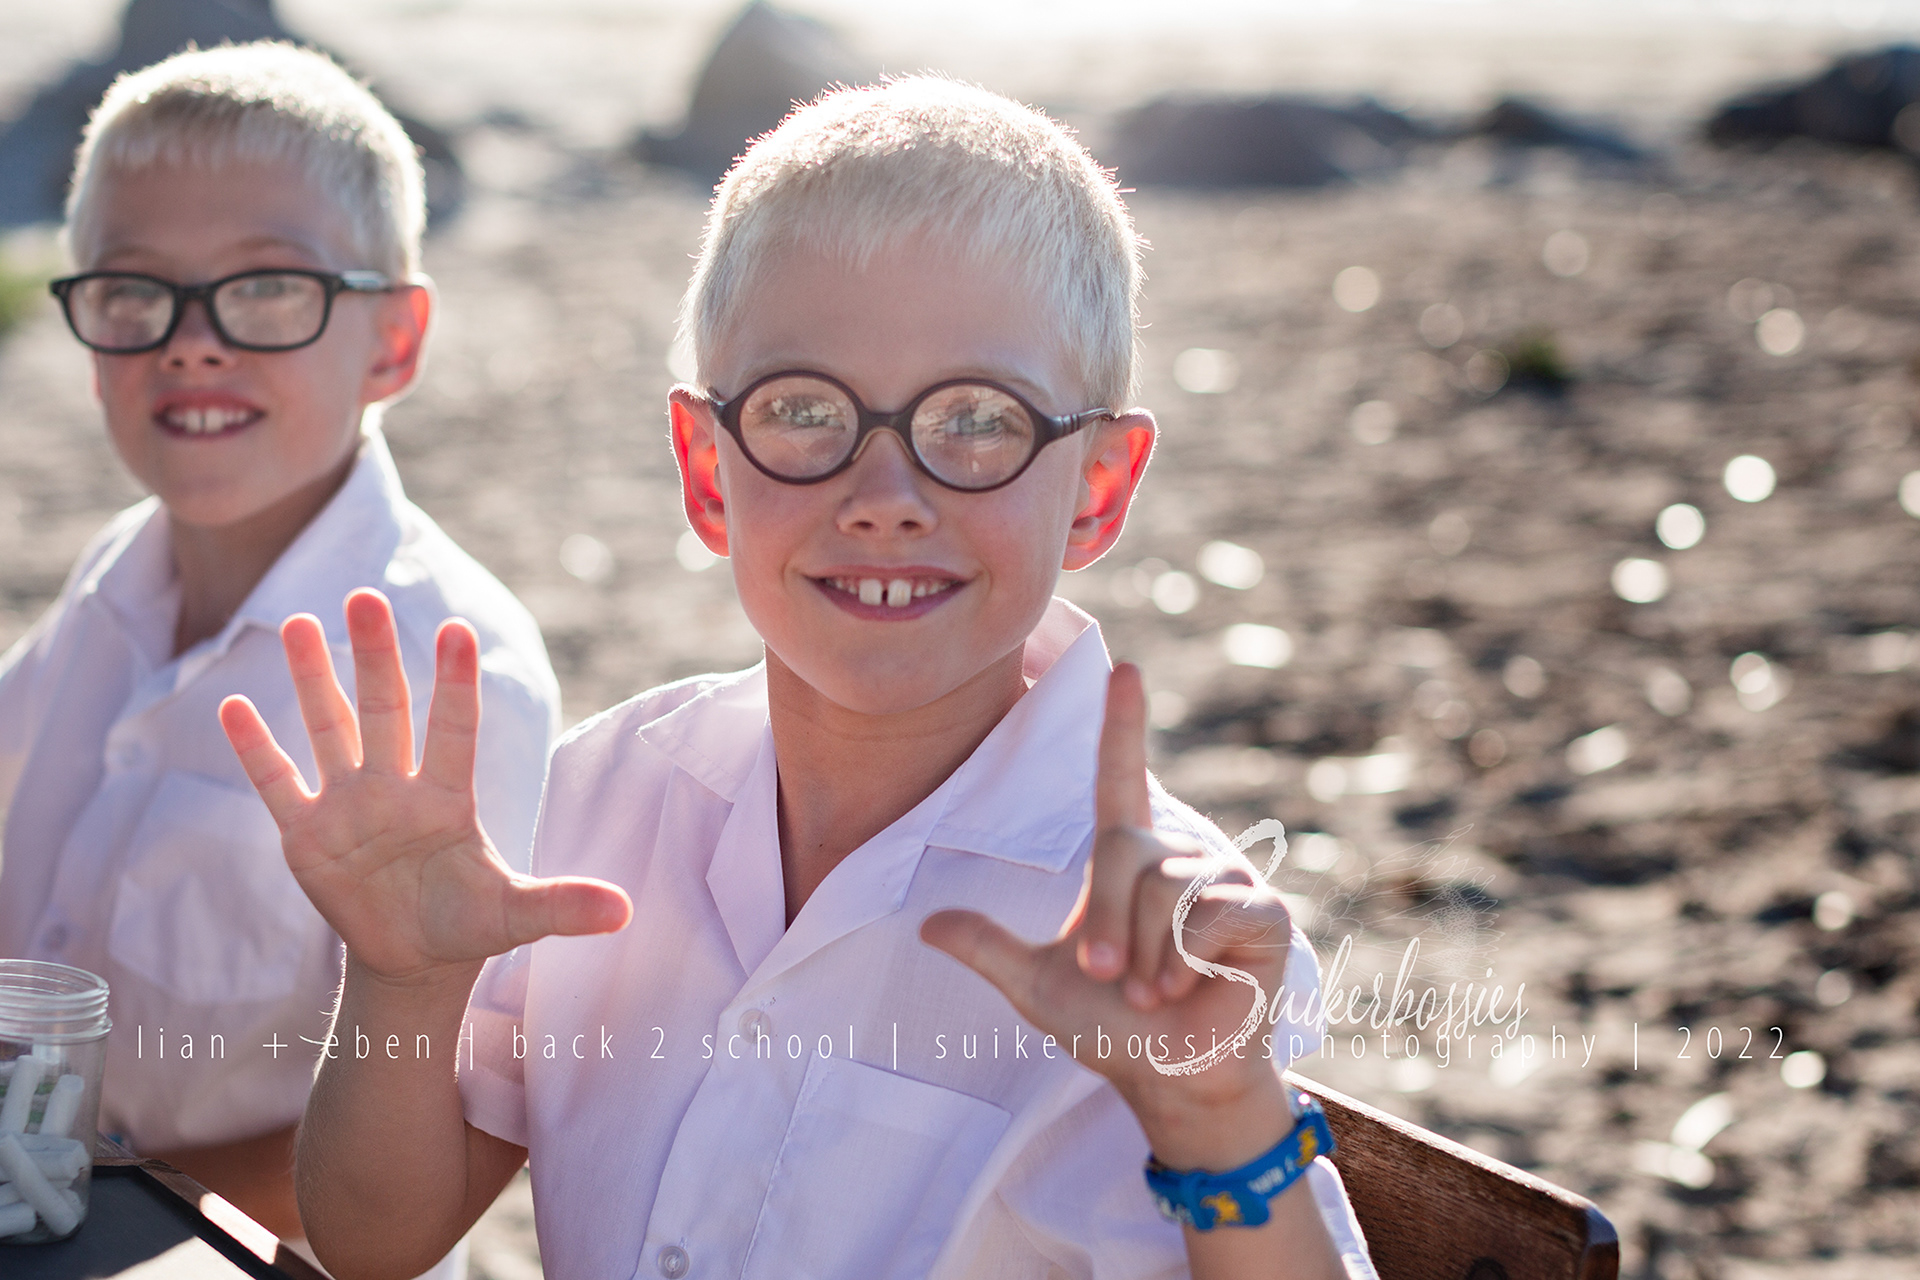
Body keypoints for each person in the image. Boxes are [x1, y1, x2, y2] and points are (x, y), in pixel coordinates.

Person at [221, 77, 1378, 1278]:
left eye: (978, 419)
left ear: (1096, 486)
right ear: (707, 469)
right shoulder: (608, 798)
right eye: (804, 410)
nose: (885, 499)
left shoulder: (1162, 931)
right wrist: (404, 985)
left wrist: (1221, 1128)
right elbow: (371, 1240)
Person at [0, 43, 559, 1267]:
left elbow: (450, 1125)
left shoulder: (449, 676)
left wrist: (86, 1193)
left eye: (267, 288)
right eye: (134, 289)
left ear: (393, 343)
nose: (191, 342)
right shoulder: (107, 581)